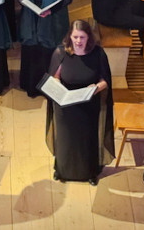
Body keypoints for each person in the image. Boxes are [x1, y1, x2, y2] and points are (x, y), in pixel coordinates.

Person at [46, 20, 114, 184]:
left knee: (86, 140)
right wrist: (57, 84)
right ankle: (62, 170)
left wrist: (95, 88)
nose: (78, 41)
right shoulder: (60, 53)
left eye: (81, 37)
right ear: (70, 36)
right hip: (65, 106)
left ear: (88, 37)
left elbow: (105, 80)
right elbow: (54, 76)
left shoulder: (98, 53)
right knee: (65, 140)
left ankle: (89, 173)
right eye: (75, 37)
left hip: (88, 105)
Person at [15, 0, 72, 97]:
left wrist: (51, 10)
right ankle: (29, 85)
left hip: (50, 20)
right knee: (30, 51)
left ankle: (47, 89)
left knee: (46, 54)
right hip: (30, 17)